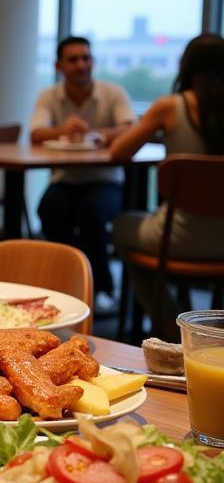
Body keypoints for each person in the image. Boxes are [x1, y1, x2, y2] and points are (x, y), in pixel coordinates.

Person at [110, 34, 224, 338]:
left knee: (122, 224)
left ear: (184, 65)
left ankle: (171, 323)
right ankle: (210, 326)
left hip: (178, 238)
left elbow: (118, 152)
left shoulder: (170, 107)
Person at [30, 35, 135, 312]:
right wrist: (62, 130)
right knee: (50, 209)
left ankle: (101, 288)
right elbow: (36, 133)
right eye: (73, 59)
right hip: (66, 180)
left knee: (91, 213)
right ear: (59, 65)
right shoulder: (49, 96)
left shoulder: (113, 93)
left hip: (106, 181)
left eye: (86, 58)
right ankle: (61, 286)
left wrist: (98, 134)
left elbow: (130, 128)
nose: (81, 65)